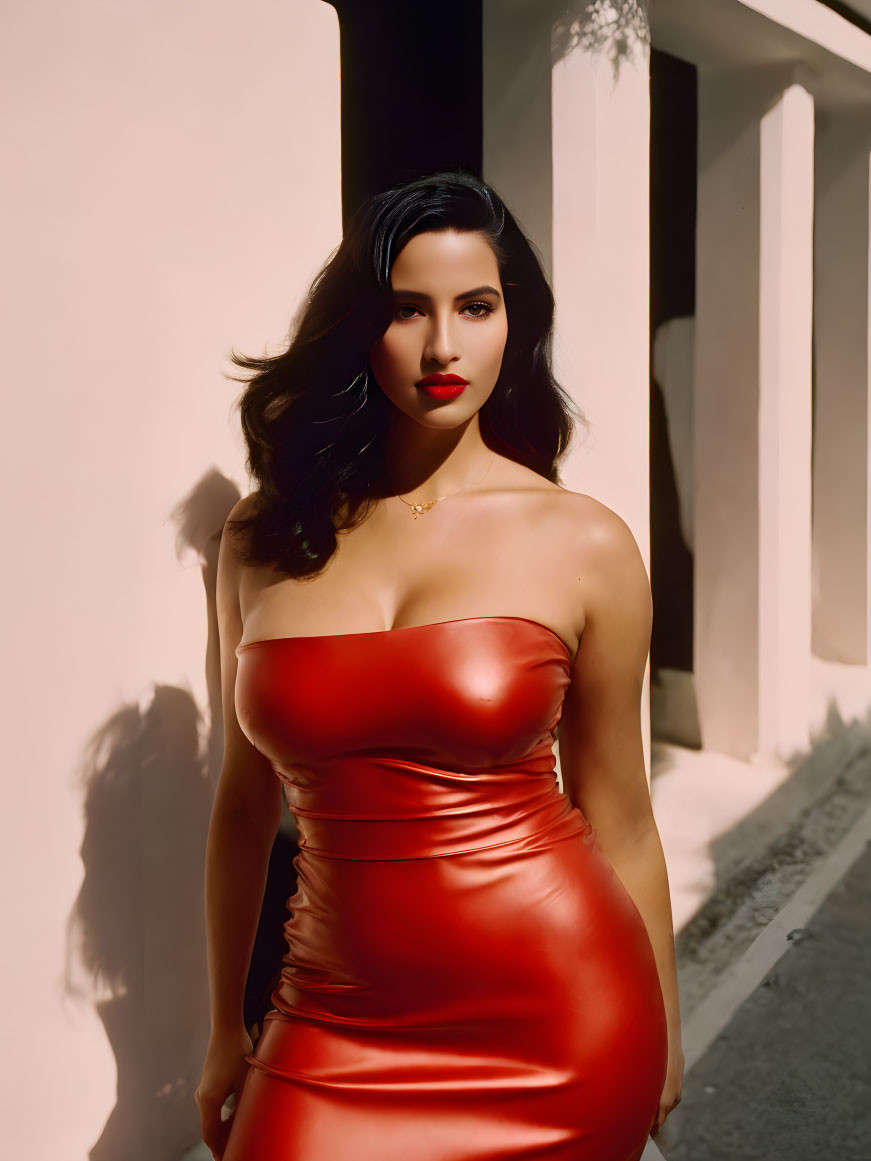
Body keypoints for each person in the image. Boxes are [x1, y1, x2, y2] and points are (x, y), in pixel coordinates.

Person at [195, 171, 684, 1161]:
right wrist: (219, 1029)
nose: (444, 347)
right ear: (358, 327)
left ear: (518, 324)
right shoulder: (262, 538)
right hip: (329, 1024)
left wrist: (665, 1033)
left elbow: (620, 813)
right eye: (406, 310)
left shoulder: (584, 543)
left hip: (559, 1023)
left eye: (477, 306)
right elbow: (245, 807)